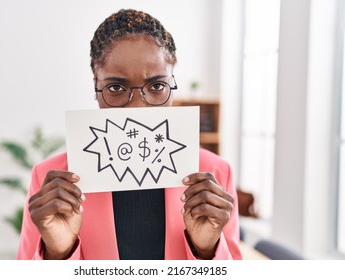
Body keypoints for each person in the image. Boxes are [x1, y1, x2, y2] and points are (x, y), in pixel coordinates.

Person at [17, 8, 242, 260]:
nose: (137, 107)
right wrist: (58, 253)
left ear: (172, 85)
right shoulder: (51, 179)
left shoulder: (215, 174)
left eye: (157, 86)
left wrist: (206, 250)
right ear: (96, 87)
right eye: (115, 87)